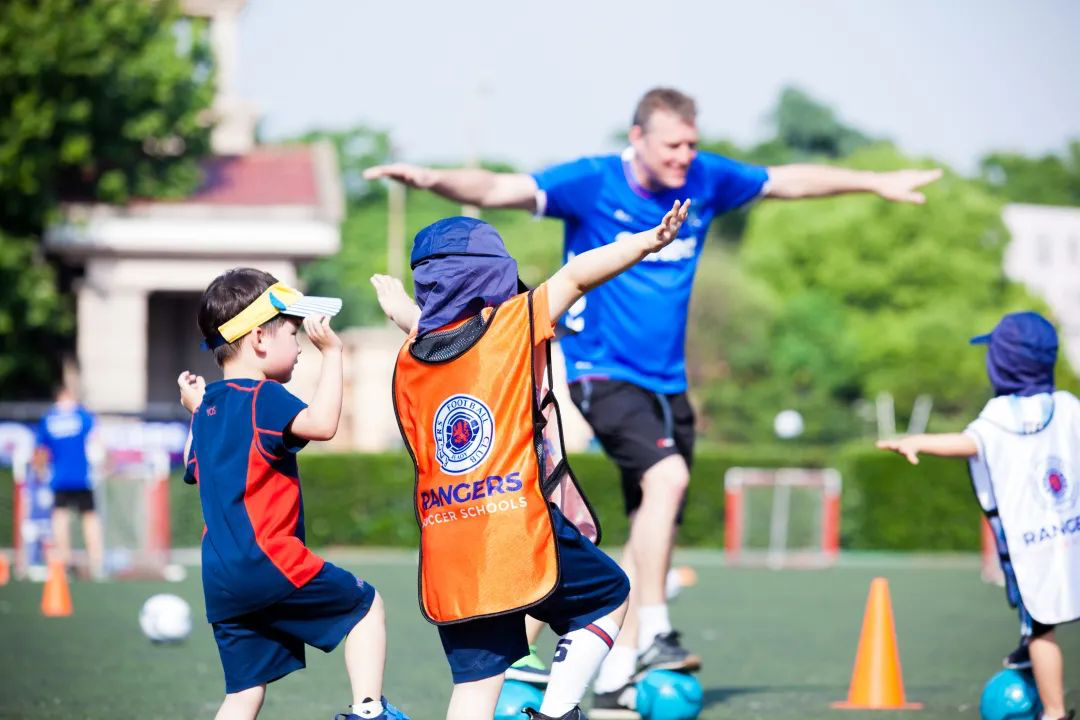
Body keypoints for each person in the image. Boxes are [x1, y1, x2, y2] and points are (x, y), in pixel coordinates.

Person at [364, 86, 944, 711]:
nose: (686, 155)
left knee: (617, 523)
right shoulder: (584, 193)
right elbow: (502, 194)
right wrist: (431, 178)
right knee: (656, 490)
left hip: (656, 390)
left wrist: (874, 183)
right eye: (674, 144)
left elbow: (785, 180)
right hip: (602, 370)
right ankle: (649, 632)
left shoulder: (413, 360)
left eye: (694, 144)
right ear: (637, 137)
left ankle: (606, 669)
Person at [382, 201, 689, 720]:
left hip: (450, 543)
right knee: (609, 596)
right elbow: (576, 275)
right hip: (515, 528)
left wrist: (400, 310)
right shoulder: (511, 327)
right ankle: (558, 713)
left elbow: (441, 338)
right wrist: (646, 242)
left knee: (477, 684)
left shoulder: (409, 358)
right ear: (492, 275)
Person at [176, 268, 409, 720]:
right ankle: (368, 711)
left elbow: (194, 467)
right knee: (365, 606)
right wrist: (334, 355)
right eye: (293, 331)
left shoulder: (208, 407)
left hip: (221, 578)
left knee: (244, 693)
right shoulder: (264, 396)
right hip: (270, 560)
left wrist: (195, 409)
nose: (301, 344)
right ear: (260, 338)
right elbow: (322, 425)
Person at [877, 311, 1076, 720]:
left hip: (1035, 544)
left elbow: (969, 443)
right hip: (1074, 535)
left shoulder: (1000, 416)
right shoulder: (1068, 407)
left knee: (1042, 626)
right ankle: (1031, 661)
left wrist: (918, 441)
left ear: (1001, 364)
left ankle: (1054, 712)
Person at [33, 384, 104, 579]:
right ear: (68, 395)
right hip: (83, 476)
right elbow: (96, 440)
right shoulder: (82, 415)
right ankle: (96, 561)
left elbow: (40, 451)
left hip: (59, 477)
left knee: (60, 518)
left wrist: (40, 473)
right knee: (89, 518)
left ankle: (64, 562)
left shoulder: (49, 418)